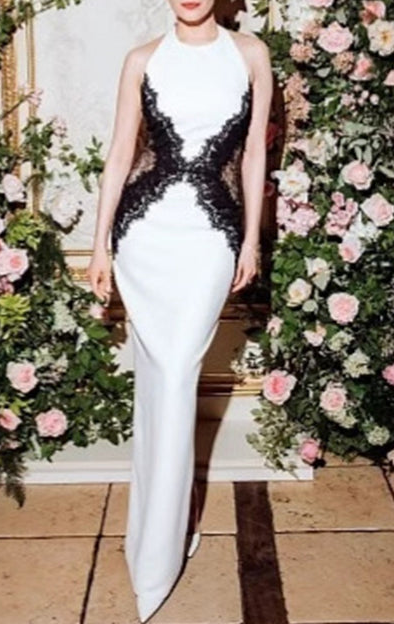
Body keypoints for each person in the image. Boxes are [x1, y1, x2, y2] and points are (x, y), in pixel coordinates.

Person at [88, 0, 273, 621]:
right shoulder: (142, 60)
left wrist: (250, 241)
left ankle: (162, 543)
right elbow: (121, 153)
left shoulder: (251, 55)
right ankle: (159, 536)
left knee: (173, 376)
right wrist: (100, 244)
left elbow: (253, 155)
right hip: (145, 235)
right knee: (157, 383)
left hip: (211, 238)